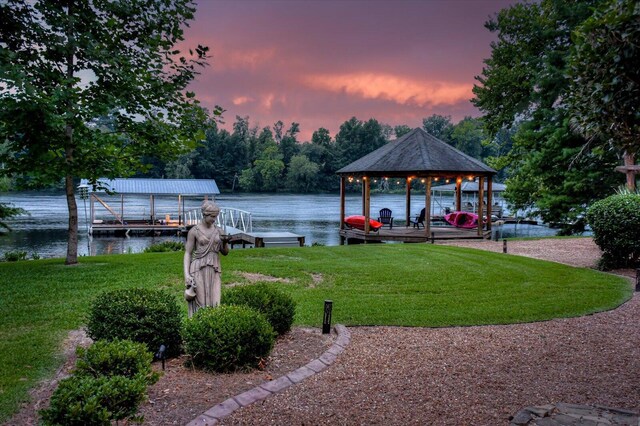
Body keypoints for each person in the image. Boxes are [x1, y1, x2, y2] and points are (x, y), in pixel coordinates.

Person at [183, 201, 229, 317]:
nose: (214, 219)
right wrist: (187, 275)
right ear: (204, 214)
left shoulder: (219, 231)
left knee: (216, 301)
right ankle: (199, 327)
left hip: (214, 268)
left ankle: (213, 328)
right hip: (198, 268)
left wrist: (225, 242)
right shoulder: (194, 231)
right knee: (201, 302)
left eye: (216, 217)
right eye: (212, 216)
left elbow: (225, 252)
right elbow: (188, 253)